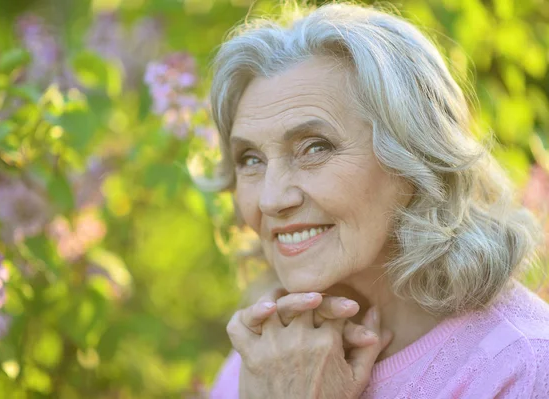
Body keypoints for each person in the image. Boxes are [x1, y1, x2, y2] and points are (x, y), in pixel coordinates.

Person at [205, 2, 549, 398]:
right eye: (251, 159)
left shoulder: (521, 368)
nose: (270, 199)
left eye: (315, 148)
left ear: (412, 156)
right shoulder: (270, 359)